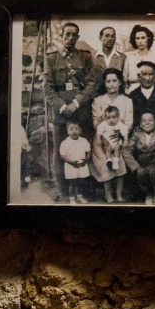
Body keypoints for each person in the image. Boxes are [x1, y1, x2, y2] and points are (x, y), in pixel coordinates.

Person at [44, 21, 100, 200]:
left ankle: (84, 191)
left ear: (78, 37)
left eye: (73, 35)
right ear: (61, 36)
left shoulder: (85, 57)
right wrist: (61, 106)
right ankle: (63, 192)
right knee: (61, 153)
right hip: (60, 115)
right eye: (66, 34)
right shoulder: (51, 58)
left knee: (84, 151)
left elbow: (91, 84)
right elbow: (48, 87)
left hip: (80, 113)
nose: (69, 38)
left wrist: (76, 103)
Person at [122, 110, 155, 205]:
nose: (147, 123)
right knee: (141, 173)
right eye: (144, 121)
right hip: (141, 165)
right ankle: (148, 194)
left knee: (153, 171)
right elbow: (126, 151)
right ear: (140, 124)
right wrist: (136, 167)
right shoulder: (136, 135)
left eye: (150, 120)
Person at [90, 104, 128, 203]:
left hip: (117, 149)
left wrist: (126, 140)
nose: (111, 120)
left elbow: (125, 132)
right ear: (105, 118)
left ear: (118, 117)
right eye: (108, 118)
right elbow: (98, 132)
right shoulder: (103, 124)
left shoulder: (120, 124)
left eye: (113, 117)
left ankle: (119, 193)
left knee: (121, 168)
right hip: (104, 147)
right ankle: (108, 194)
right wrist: (98, 139)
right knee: (106, 169)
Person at [91, 67, 133, 138]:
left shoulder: (127, 101)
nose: (111, 84)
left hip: (122, 135)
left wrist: (120, 133)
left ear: (119, 82)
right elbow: (96, 122)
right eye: (108, 81)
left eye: (114, 81)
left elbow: (129, 123)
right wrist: (107, 132)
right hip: (103, 135)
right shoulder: (98, 101)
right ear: (104, 83)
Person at [58, 120, 91, 204]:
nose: (74, 131)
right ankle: (72, 198)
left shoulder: (84, 141)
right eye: (71, 129)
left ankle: (80, 196)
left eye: (76, 129)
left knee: (81, 182)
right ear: (68, 131)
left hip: (82, 164)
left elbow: (89, 151)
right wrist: (72, 163)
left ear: (80, 131)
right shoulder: (65, 143)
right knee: (72, 183)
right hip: (71, 165)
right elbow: (62, 156)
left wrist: (86, 160)